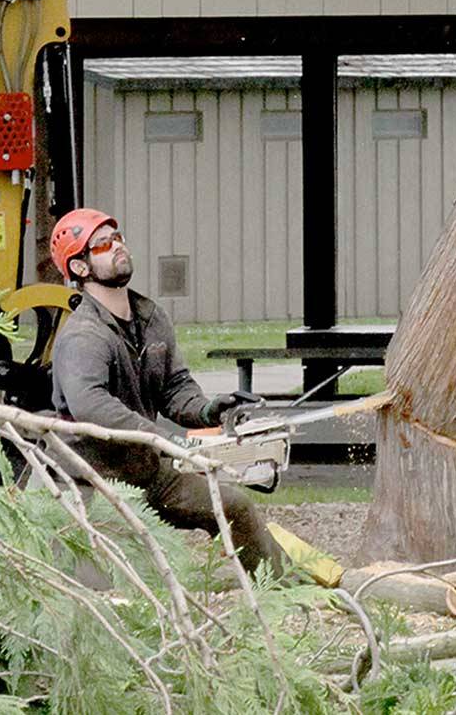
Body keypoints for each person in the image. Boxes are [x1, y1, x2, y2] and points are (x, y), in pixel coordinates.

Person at [48, 208, 285, 577]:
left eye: (118, 237)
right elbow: (89, 404)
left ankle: (279, 589)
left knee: (234, 506)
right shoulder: (83, 336)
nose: (118, 246)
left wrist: (210, 411)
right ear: (80, 268)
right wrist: (160, 439)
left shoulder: (151, 318)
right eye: (103, 244)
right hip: (92, 482)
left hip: (148, 472)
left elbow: (174, 387)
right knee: (113, 585)